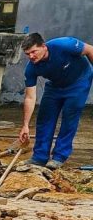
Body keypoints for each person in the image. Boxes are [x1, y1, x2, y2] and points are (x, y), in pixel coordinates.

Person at [19, 32, 93, 170]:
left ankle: (59, 157)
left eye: (34, 52)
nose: (31, 56)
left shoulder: (65, 44)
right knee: (44, 117)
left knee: (69, 117)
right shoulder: (31, 68)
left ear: (44, 46)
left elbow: (90, 50)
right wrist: (25, 125)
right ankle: (39, 157)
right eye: (27, 54)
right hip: (55, 85)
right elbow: (30, 97)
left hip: (79, 81)